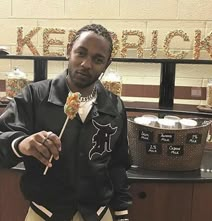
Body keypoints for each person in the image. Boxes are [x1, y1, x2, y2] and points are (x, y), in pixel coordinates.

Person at [0, 24, 132, 221]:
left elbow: (118, 166)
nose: (86, 64)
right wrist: (22, 144)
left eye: (98, 59)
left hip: (97, 214)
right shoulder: (34, 96)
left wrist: (121, 214)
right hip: (44, 213)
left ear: (107, 64)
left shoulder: (114, 107)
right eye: (81, 53)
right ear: (69, 50)